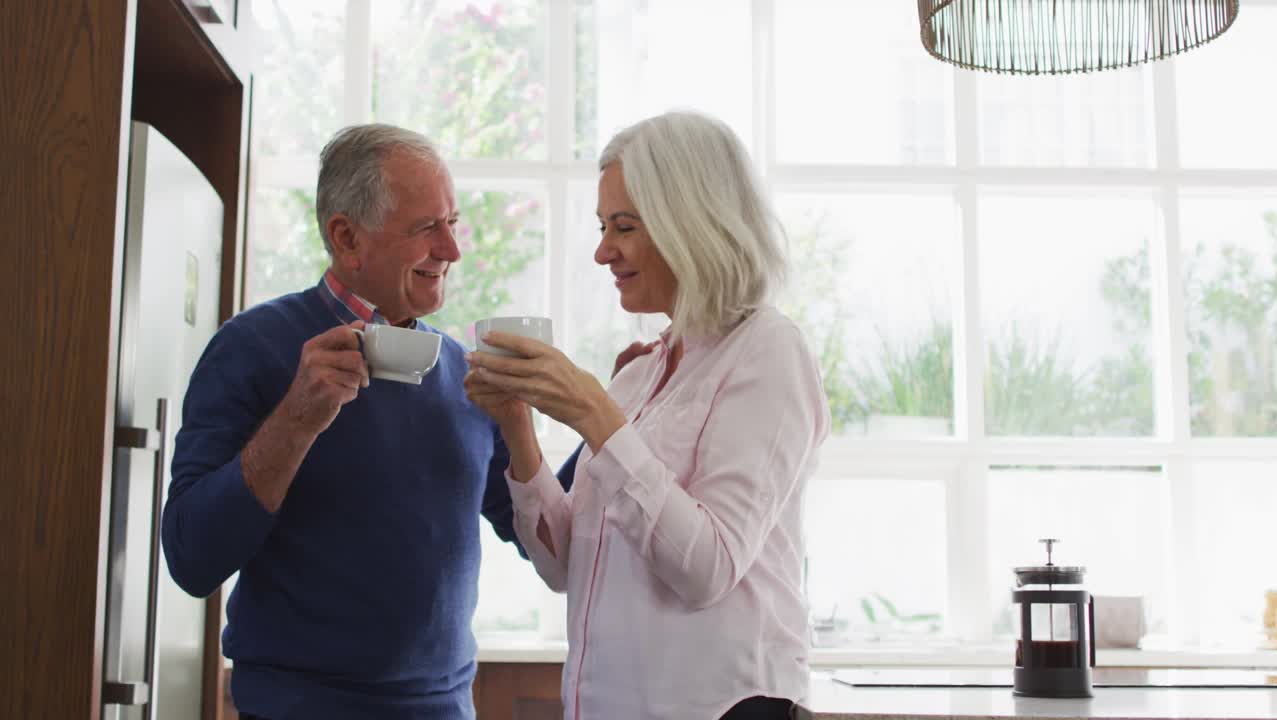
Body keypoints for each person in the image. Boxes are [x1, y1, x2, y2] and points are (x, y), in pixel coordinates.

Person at [160, 124, 547, 720]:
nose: (452, 249)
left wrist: (611, 415)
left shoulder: (465, 375)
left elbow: (543, 540)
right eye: (427, 228)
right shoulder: (252, 348)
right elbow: (191, 558)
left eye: (452, 222)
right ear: (346, 237)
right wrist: (295, 421)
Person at [464, 111, 830, 720]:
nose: (603, 250)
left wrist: (593, 412)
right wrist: (516, 423)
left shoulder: (768, 351)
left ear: (690, 221)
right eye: (604, 226)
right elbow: (560, 567)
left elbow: (708, 569)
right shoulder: (639, 376)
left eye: (623, 226)